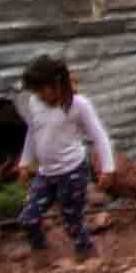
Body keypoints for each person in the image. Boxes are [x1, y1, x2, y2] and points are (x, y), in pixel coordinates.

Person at [13, 56, 115, 260]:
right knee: (28, 218)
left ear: (57, 84)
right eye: (35, 91)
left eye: (42, 90)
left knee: (72, 221)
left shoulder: (78, 104)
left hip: (73, 172)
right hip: (45, 174)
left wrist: (108, 168)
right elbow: (33, 132)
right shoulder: (34, 102)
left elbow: (99, 136)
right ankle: (41, 252)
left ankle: (87, 252)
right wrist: (24, 162)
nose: (39, 95)